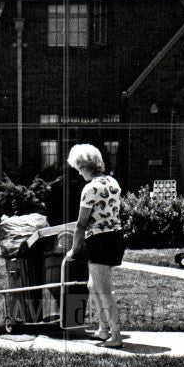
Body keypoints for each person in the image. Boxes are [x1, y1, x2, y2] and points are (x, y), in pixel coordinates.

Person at [65, 144, 124, 348]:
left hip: (100, 240)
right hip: (115, 238)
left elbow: (81, 224)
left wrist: (73, 250)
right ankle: (103, 329)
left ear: (86, 166)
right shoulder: (113, 182)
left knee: (103, 289)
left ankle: (115, 336)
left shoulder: (90, 189)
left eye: (79, 168)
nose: (79, 172)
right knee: (93, 285)